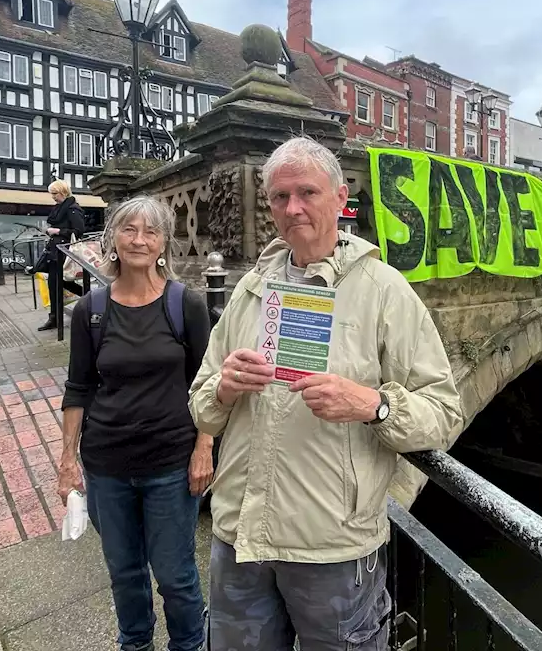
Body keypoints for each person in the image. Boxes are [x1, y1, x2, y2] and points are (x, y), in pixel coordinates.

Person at [190, 136, 463, 650]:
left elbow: (445, 413)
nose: (292, 208)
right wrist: (223, 389)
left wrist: (373, 405)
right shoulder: (251, 290)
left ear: (341, 198)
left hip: (331, 548)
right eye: (279, 196)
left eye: (307, 193)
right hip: (240, 537)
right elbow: (201, 402)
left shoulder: (384, 290)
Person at [60, 195, 214, 651]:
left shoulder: (185, 305)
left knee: (175, 574)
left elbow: (206, 384)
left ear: (164, 241)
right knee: (125, 573)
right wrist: (67, 461)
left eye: (150, 231)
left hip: (170, 463)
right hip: (107, 464)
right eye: (129, 229)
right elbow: (78, 388)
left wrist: (204, 448)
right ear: (112, 239)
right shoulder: (90, 310)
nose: (139, 240)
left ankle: (188, 644)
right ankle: (136, 644)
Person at [37, 179, 86, 332]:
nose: (53, 197)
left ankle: (88, 296)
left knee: (60, 282)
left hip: (64, 251)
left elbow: (79, 231)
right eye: (51, 194)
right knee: (53, 283)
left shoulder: (73, 208)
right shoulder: (60, 208)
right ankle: (54, 317)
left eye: (55, 193)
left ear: (63, 192)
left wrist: (57, 231)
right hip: (55, 250)